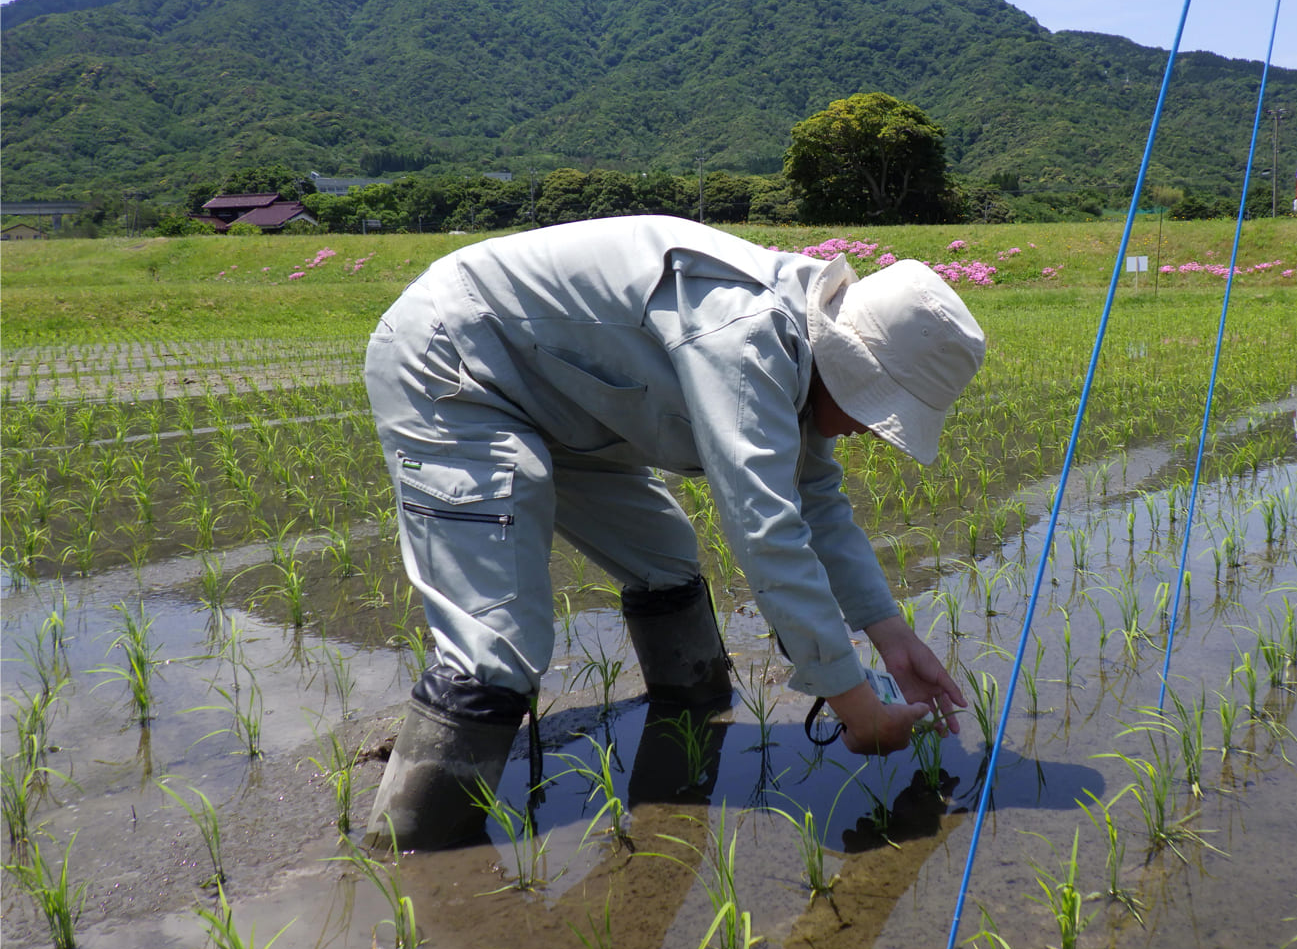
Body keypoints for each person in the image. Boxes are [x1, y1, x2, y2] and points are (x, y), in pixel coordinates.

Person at [362, 214, 984, 848]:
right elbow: (767, 534)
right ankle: (410, 852)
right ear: (848, 367)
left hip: (565, 398)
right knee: (495, 644)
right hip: (456, 363)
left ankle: (689, 715)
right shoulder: (745, 336)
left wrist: (893, 635)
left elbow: (815, 499)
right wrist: (857, 707)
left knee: (667, 560)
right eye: (873, 412)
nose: (867, 431)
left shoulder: (803, 353)